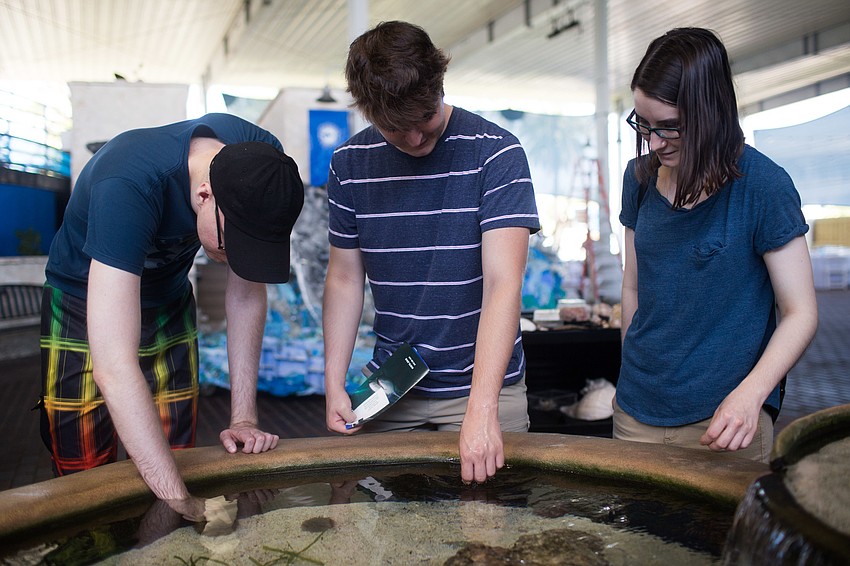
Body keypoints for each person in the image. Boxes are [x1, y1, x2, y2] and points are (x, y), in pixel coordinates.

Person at [39, 112, 305, 519]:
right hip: (81, 298)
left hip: (168, 296)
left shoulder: (262, 163)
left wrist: (245, 419)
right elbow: (113, 365)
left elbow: (246, 293)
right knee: (84, 460)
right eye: (233, 244)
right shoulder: (128, 183)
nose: (238, 257)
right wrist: (184, 503)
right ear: (203, 195)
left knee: (175, 451)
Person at [322, 21, 540, 484]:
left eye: (425, 119)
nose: (416, 140)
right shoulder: (348, 165)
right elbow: (343, 279)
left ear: (439, 85)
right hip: (391, 385)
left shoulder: (497, 154)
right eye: (397, 130)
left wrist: (481, 412)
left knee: (493, 534)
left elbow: (505, 284)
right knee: (382, 533)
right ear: (366, 111)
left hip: (483, 386)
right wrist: (333, 380)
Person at [616, 28, 818, 462]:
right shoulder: (638, 179)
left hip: (727, 422)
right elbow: (632, 287)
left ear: (711, 113)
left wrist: (751, 397)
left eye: (670, 128)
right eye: (643, 124)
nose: (654, 142)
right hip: (635, 414)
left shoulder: (764, 186)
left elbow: (801, 313)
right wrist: (631, 373)